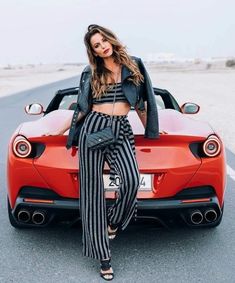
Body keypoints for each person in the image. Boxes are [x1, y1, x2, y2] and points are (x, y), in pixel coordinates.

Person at [45, 24, 159, 281]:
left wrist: (152, 130)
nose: (102, 46)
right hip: (93, 128)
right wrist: (62, 129)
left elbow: (142, 103)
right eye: (96, 45)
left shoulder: (134, 65)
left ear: (111, 39)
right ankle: (104, 259)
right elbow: (82, 109)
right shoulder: (90, 72)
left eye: (103, 40)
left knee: (130, 180)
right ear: (93, 51)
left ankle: (113, 223)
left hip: (122, 128)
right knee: (93, 195)